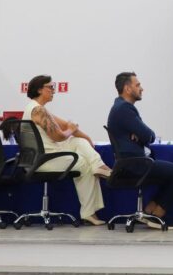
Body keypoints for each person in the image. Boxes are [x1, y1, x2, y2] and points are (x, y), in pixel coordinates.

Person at [23, 75, 111, 226]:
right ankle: (88, 213)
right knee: (84, 163)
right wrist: (71, 130)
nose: (53, 91)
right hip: (44, 160)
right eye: (50, 87)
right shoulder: (38, 111)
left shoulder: (38, 108)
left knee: (78, 142)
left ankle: (99, 166)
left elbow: (65, 126)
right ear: (39, 90)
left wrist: (86, 138)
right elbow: (58, 136)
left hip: (48, 155)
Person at [108, 72, 173, 230]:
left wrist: (140, 135)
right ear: (127, 88)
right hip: (136, 164)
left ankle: (150, 211)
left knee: (171, 175)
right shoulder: (124, 109)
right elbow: (149, 135)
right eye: (137, 85)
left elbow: (144, 135)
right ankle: (158, 216)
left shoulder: (120, 107)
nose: (142, 88)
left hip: (131, 163)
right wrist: (142, 135)